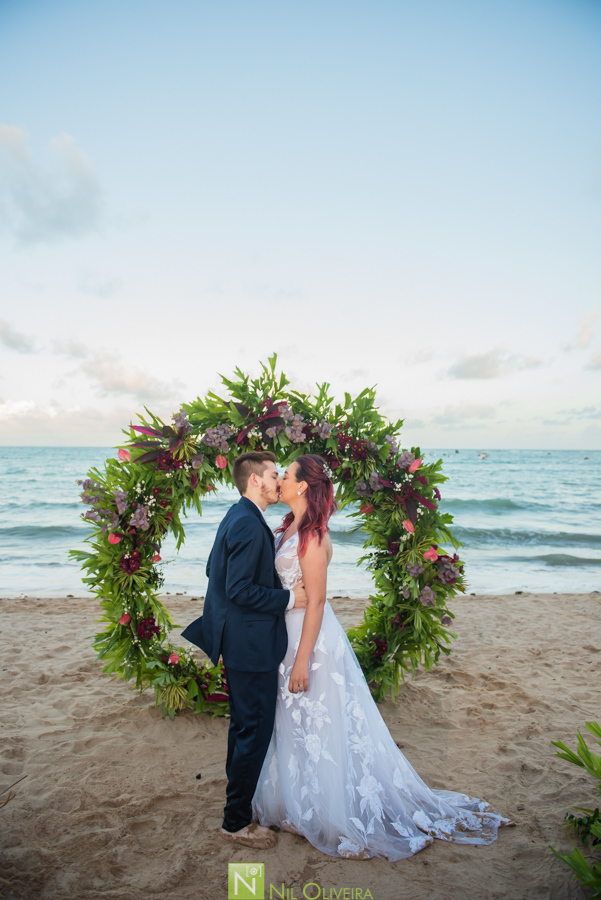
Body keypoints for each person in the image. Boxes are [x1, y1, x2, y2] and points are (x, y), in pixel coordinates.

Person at [252, 453, 513, 860]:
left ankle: (327, 810)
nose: (279, 479)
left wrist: (303, 660)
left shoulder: (313, 537)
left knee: (318, 723)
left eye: (285, 475)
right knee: (292, 723)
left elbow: (317, 603)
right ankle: (295, 804)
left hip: (311, 642)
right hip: (284, 638)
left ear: (303, 486)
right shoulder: (288, 528)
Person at [181, 451, 307, 851]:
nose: (277, 480)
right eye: (273, 474)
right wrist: (288, 599)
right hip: (250, 647)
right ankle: (235, 823)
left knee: (243, 731)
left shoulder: (239, 516)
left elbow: (212, 571)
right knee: (253, 733)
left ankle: (239, 809)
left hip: (238, 642)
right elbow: (238, 590)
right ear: (255, 480)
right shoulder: (250, 526)